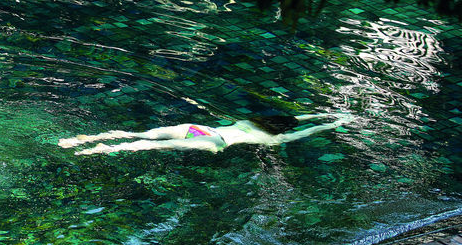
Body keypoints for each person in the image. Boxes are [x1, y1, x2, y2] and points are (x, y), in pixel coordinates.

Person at [59, 113, 350, 155]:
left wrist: (318, 112)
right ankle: (98, 151)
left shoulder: (250, 120)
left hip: (199, 128)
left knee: (141, 134)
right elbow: (302, 129)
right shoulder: (273, 138)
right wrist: (330, 125)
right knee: (145, 147)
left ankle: (87, 138)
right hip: (216, 141)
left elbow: (293, 118)